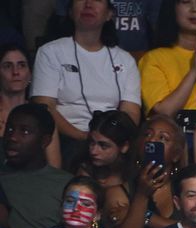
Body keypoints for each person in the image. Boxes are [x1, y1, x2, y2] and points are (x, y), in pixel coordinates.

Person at [30, 0, 141, 154]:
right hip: (65, 140)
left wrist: (109, 139)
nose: (88, 4)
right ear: (69, 11)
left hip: (111, 142)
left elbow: (131, 112)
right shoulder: (50, 52)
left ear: (109, 14)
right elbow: (45, 106)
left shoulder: (125, 60)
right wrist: (84, 137)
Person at [0, 102, 72, 228]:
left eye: (25, 132)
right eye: (10, 129)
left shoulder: (66, 184)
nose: (13, 137)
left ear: (45, 141)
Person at [110, 114, 184, 228]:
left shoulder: (184, 189)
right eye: (147, 134)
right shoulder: (117, 193)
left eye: (163, 138)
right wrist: (141, 195)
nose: (152, 140)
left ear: (176, 154)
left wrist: (148, 218)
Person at [76, 109, 139, 228]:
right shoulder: (84, 172)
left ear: (125, 147)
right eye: (92, 143)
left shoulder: (137, 177)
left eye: (103, 146)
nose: (93, 151)